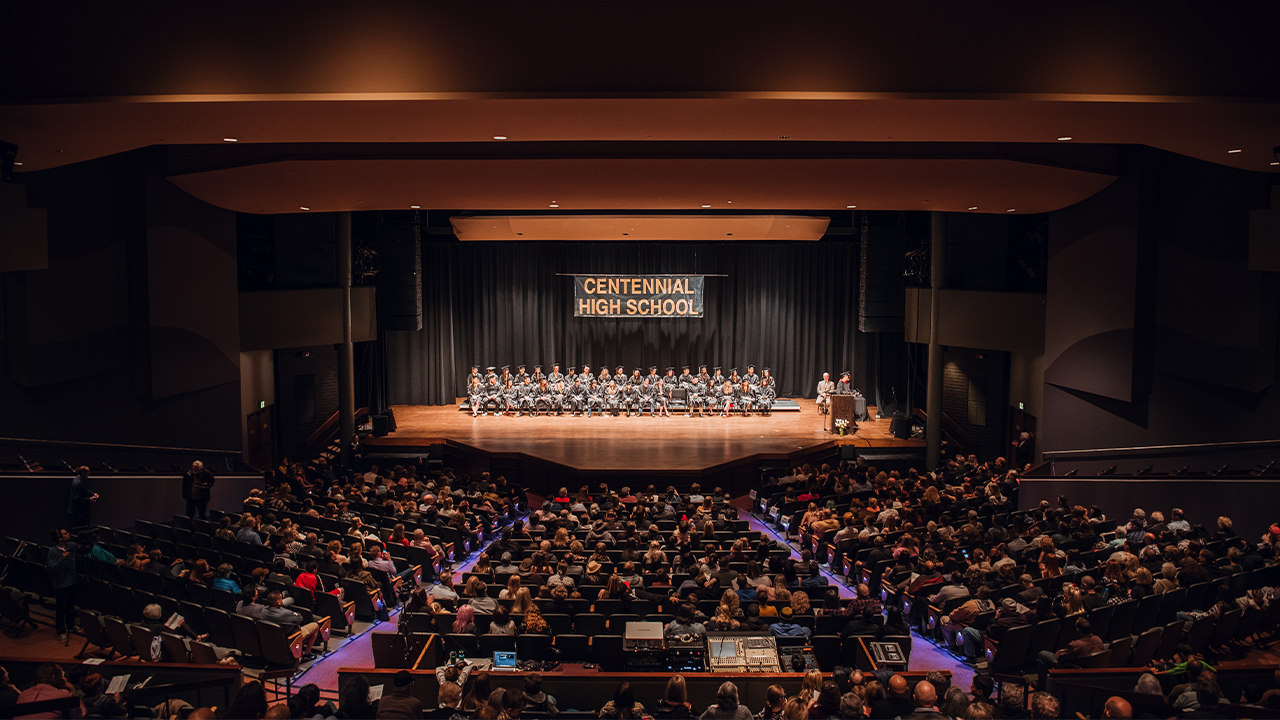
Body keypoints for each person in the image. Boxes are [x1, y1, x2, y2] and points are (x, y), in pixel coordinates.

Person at [1037, 617, 1105, 688]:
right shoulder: (1098, 640)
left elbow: (1061, 657)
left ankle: (1042, 686)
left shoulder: (1075, 645)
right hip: (1091, 669)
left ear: (1078, 630)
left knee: (1042, 654)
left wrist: (1059, 652)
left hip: (1073, 668)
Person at [262, 591, 329, 657]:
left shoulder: (264, 611)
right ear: (278, 602)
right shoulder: (286, 613)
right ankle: (307, 654)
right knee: (315, 625)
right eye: (281, 599)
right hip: (291, 638)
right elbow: (300, 618)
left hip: (274, 639)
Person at [47, 528, 79, 644]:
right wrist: (62, 558)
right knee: (61, 610)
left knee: (71, 606)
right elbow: (52, 568)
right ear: (59, 538)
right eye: (65, 533)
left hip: (72, 582)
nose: (68, 534)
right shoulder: (53, 552)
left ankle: (71, 625)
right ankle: (60, 632)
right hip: (61, 585)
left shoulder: (72, 545)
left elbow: (82, 549)